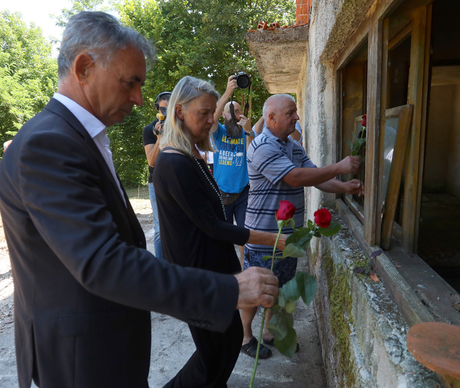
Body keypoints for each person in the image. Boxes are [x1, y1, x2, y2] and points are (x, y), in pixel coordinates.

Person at [0, 12, 279, 388]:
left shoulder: (78, 136)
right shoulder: (50, 142)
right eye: (130, 82)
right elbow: (102, 262)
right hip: (84, 357)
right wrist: (231, 289)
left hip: (103, 341)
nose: (139, 97)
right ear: (83, 68)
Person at [153, 75, 287, 387]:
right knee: (215, 353)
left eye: (213, 112)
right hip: (196, 276)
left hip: (212, 271)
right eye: (204, 113)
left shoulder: (192, 155)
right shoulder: (174, 163)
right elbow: (213, 226)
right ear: (179, 113)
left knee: (222, 349)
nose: (212, 119)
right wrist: (271, 239)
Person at [243, 94, 364, 358]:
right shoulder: (262, 145)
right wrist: (339, 167)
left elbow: (314, 176)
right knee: (255, 289)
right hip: (264, 237)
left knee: (282, 288)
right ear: (271, 118)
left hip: (290, 238)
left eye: (296, 111)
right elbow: (295, 177)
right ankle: (245, 337)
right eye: (290, 113)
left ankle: (270, 333)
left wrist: (343, 186)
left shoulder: (293, 147)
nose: (296, 117)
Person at [210, 75, 257, 263]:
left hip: (244, 191)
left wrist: (249, 131)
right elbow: (211, 118)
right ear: (223, 114)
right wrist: (228, 93)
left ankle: (245, 268)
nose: (233, 113)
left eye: (237, 110)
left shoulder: (246, 131)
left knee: (244, 234)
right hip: (222, 191)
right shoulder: (218, 131)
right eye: (229, 110)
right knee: (223, 235)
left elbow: (252, 157)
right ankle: (227, 268)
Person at [143, 91, 171, 259]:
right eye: (163, 109)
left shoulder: (181, 128)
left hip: (178, 180)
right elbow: (151, 162)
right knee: (160, 229)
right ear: (157, 110)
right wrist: (160, 138)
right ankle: (162, 269)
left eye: (170, 109)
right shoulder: (149, 130)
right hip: (157, 182)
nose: (166, 114)